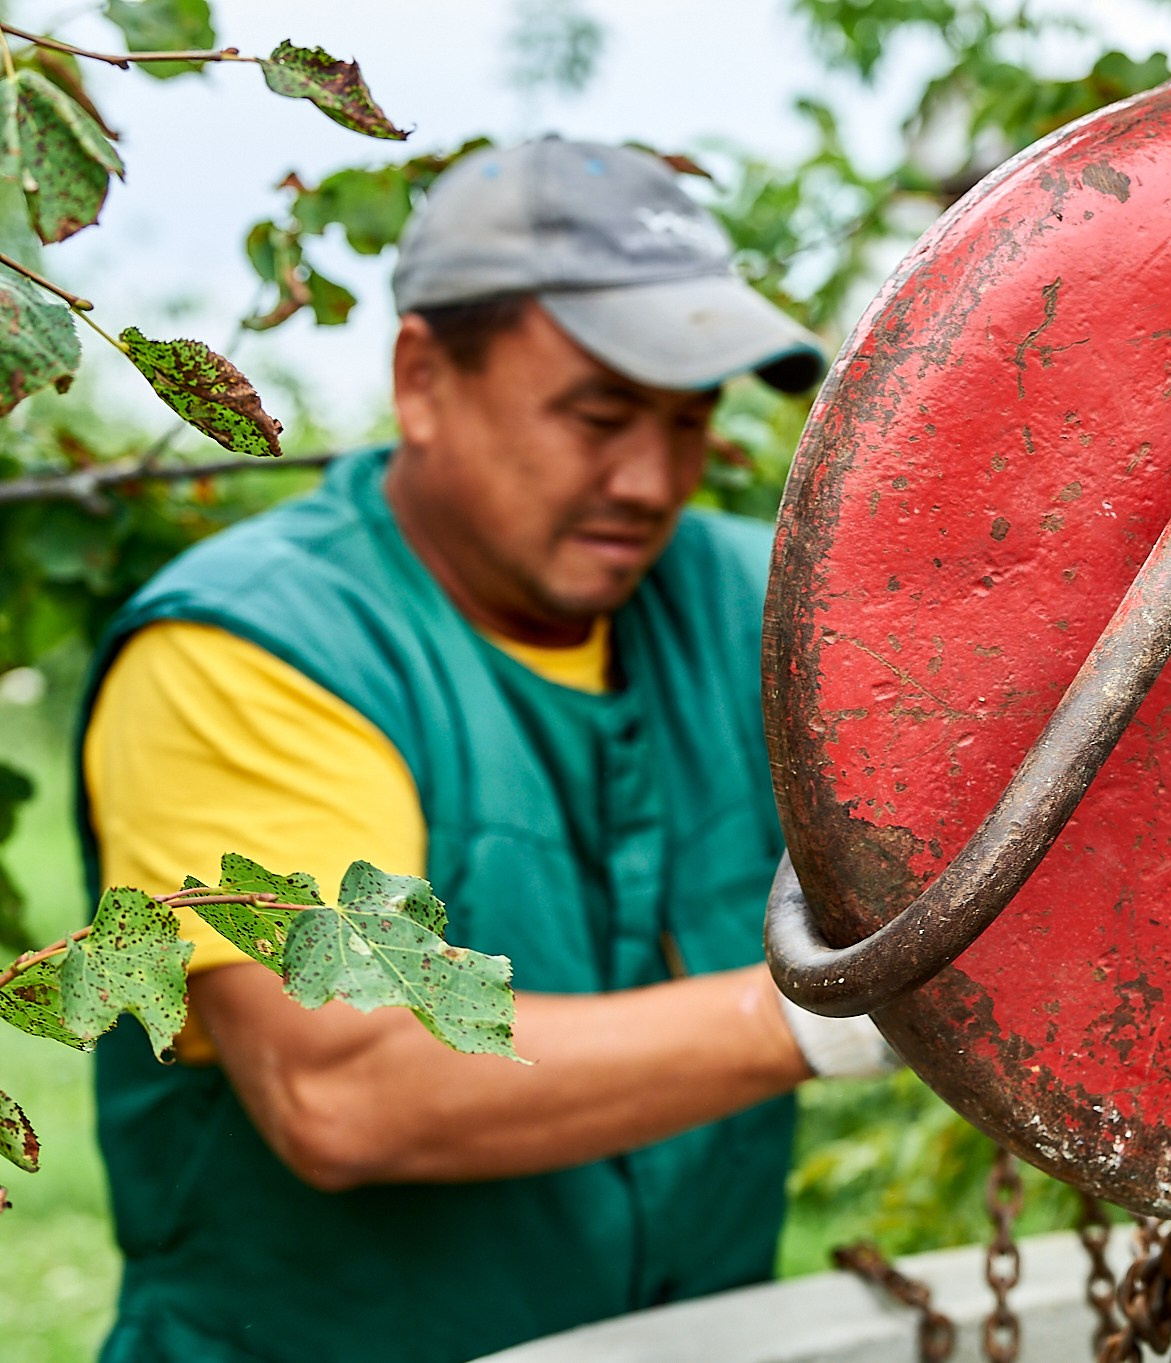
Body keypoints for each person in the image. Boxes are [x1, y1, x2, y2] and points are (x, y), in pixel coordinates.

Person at [78, 138, 892, 1363]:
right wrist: (848, 1016)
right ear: (422, 377)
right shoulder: (254, 649)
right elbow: (346, 1084)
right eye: (597, 415)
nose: (650, 478)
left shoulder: (756, 606)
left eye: (688, 421)